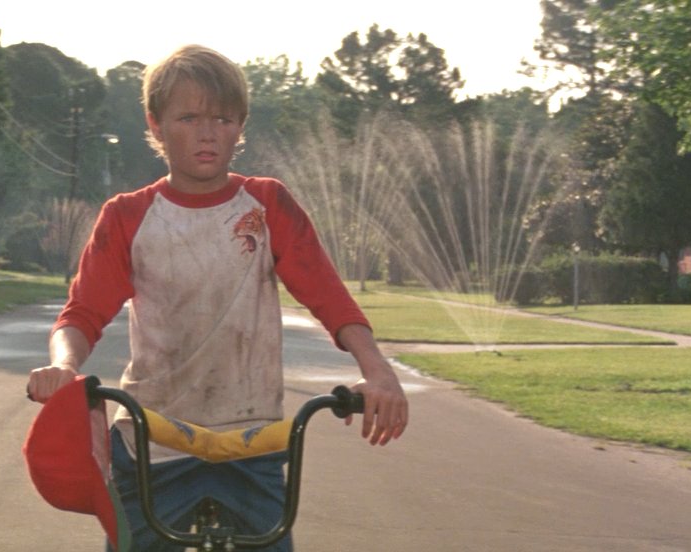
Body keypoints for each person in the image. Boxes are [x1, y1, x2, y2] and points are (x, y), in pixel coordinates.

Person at [27, 44, 409, 551]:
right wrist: (64, 367)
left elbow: (329, 296)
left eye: (223, 119)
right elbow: (83, 312)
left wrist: (377, 370)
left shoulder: (266, 204)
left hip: (251, 441)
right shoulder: (127, 215)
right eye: (188, 118)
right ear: (156, 124)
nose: (207, 133)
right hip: (153, 440)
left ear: (240, 126)